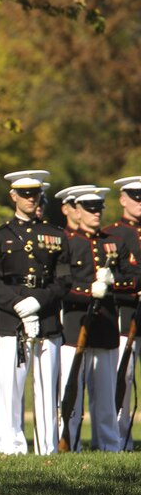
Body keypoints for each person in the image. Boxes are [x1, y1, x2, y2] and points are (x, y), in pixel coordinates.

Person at [0, 170, 70, 455]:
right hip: (12, 319)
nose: (31, 199)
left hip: (46, 316)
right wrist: (19, 305)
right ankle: (12, 446)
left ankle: (47, 447)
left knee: (47, 390)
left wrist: (38, 302)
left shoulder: (56, 235)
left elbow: (64, 280)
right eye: (25, 194)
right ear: (13, 197)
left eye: (35, 194)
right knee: (11, 388)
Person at [59, 186, 132, 452]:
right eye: (89, 209)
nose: (95, 214)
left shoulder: (112, 243)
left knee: (105, 396)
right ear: (76, 211)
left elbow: (134, 277)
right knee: (71, 394)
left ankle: (109, 445)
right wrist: (87, 291)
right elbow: (62, 284)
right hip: (74, 327)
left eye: (98, 208)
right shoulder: (67, 243)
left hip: (106, 328)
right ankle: (69, 442)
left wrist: (116, 283)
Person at [105, 175, 141, 450]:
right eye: (135, 197)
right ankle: (120, 438)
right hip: (127, 314)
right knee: (123, 378)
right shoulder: (112, 234)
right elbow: (109, 280)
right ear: (123, 199)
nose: (140, 203)